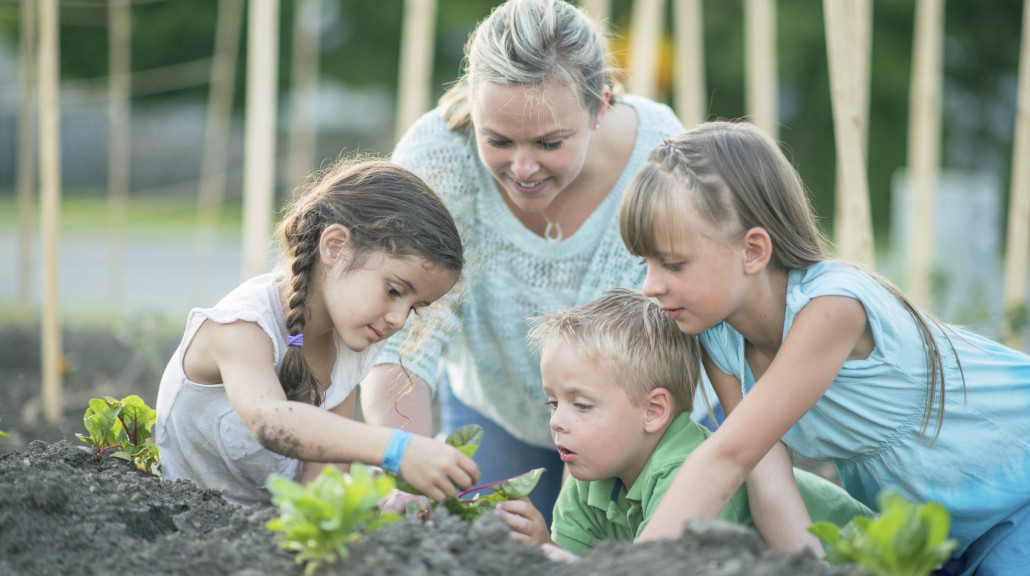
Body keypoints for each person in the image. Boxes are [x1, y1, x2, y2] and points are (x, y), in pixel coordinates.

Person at [618, 120, 1030, 574]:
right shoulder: (719, 339)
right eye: (646, 262)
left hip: (1019, 480)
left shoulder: (833, 307)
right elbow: (764, 481)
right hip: (943, 528)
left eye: (673, 264)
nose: (650, 286)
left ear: (753, 250)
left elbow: (725, 457)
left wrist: (635, 567)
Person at [359, 0, 710, 528]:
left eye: (550, 143)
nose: (522, 169)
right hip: (500, 410)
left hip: (642, 425)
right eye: (496, 140)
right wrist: (406, 464)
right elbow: (405, 340)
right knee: (483, 547)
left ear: (600, 107)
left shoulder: (659, 160)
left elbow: (676, 337)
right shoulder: (437, 158)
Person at [154, 158, 479, 506]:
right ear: (335, 246)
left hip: (261, 531)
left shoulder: (350, 343)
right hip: (183, 522)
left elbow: (322, 475)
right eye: (395, 291)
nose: (399, 320)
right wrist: (398, 448)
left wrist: (387, 503)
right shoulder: (241, 327)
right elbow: (272, 423)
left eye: (415, 307)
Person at [493, 287, 872, 558]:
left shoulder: (686, 473)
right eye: (553, 402)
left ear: (654, 411)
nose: (557, 422)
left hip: (859, 556)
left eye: (582, 405)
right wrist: (543, 544)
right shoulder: (587, 478)